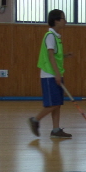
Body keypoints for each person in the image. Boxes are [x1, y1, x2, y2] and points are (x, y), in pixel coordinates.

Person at [27, 9, 73, 139]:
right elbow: (50, 56)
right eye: (63, 18)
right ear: (56, 21)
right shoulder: (50, 36)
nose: (65, 21)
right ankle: (35, 120)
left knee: (57, 103)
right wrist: (57, 74)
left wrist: (65, 55)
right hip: (49, 74)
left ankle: (56, 130)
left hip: (55, 73)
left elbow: (55, 56)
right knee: (53, 103)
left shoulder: (56, 37)